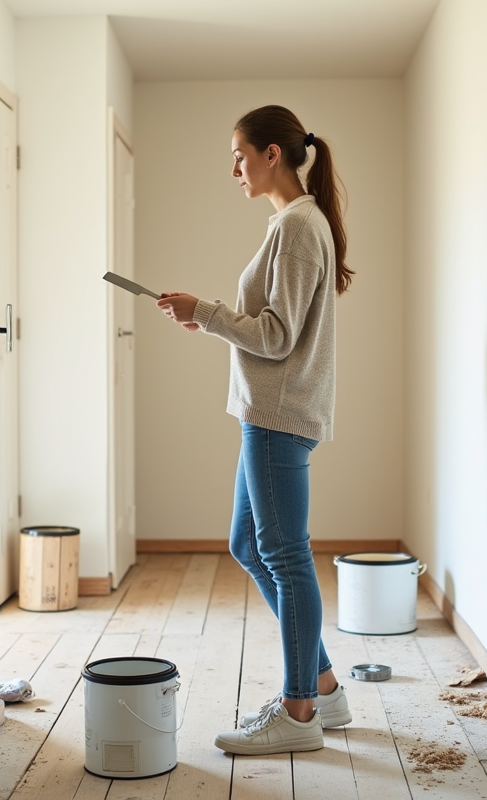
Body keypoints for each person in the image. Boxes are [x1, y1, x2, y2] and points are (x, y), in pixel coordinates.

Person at [156, 105, 355, 756]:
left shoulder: (297, 225)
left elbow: (277, 336)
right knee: (249, 543)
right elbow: (273, 327)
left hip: (277, 415)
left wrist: (207, 311)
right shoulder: (296, 222)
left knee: (287, 556)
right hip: (271, 412)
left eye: (239, 155)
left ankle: (299, 712)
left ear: (273, 154)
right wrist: (208, 317)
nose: (234, 169)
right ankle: (323, 686)